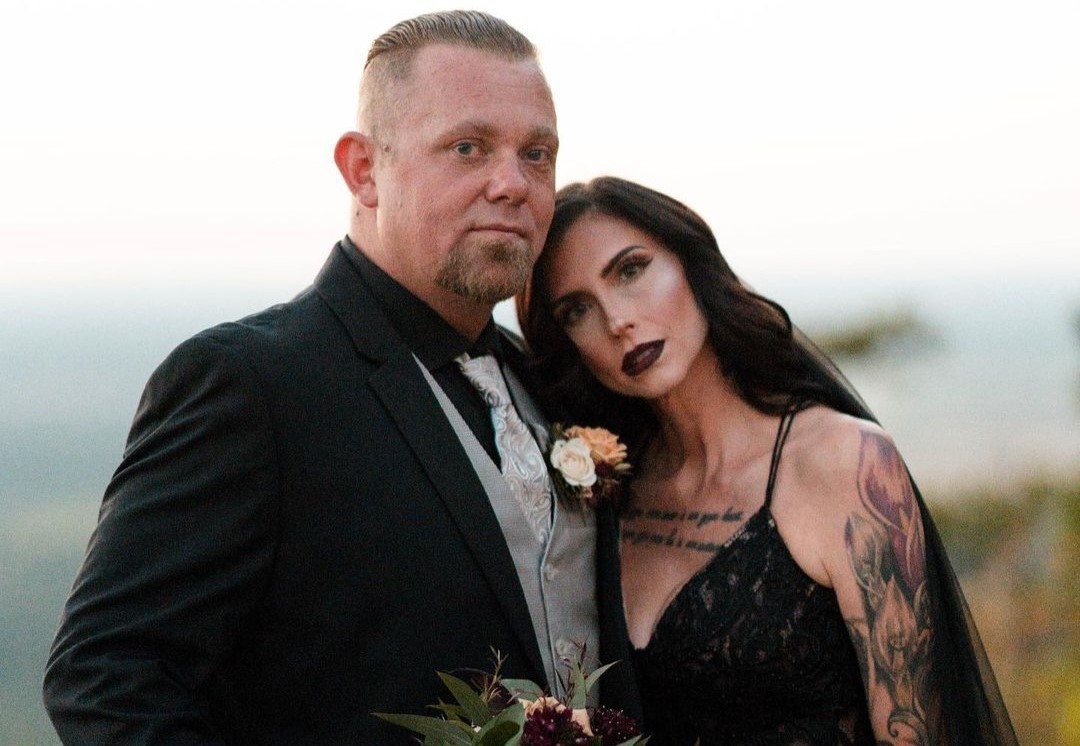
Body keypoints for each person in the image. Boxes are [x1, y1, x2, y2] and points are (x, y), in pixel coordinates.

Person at [42, 13, 639, 745]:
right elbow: (106, 680)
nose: (513, 184)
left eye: (537, 153)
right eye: (467, 147)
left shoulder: (544, 381)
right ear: (364, 169)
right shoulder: (251, 382)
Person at [517, 176, 1018, 745]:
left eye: (630, 271)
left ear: (692, 265)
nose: (616, 320)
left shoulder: (841, 462)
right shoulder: (607, 492)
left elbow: (916, 733)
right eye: (576, 310)